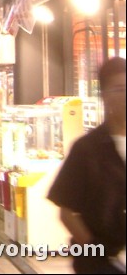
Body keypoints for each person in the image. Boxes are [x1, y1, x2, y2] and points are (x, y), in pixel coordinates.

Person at [48, 56, 126, 274]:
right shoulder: (87, 149)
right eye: (119, 89)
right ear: (104, 96)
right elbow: (66, 212)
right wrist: (98, 253)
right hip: (101, 265)